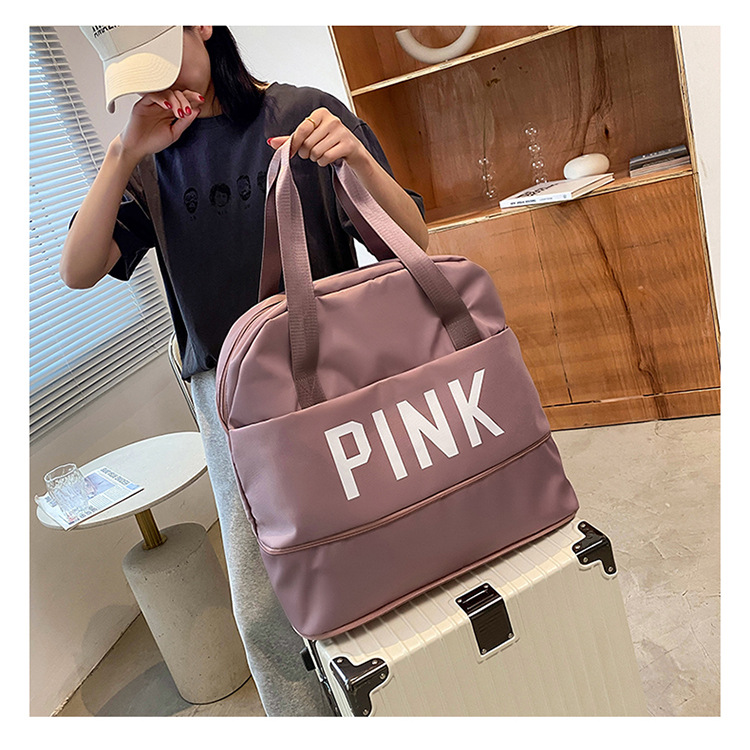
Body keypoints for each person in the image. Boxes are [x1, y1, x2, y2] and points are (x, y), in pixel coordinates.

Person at [62, 25, 428, 717]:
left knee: (373, 549)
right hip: (226, 400)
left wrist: (354, 155)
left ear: (202, 24)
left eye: (160, 60)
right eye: (136, 76)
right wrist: (122, 153)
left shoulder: (302, 113)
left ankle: (409, 698)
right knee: (262, 604)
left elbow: (413, 240)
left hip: (333, 368)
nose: (156, 87)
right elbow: (79, 270)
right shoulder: (150, 158)